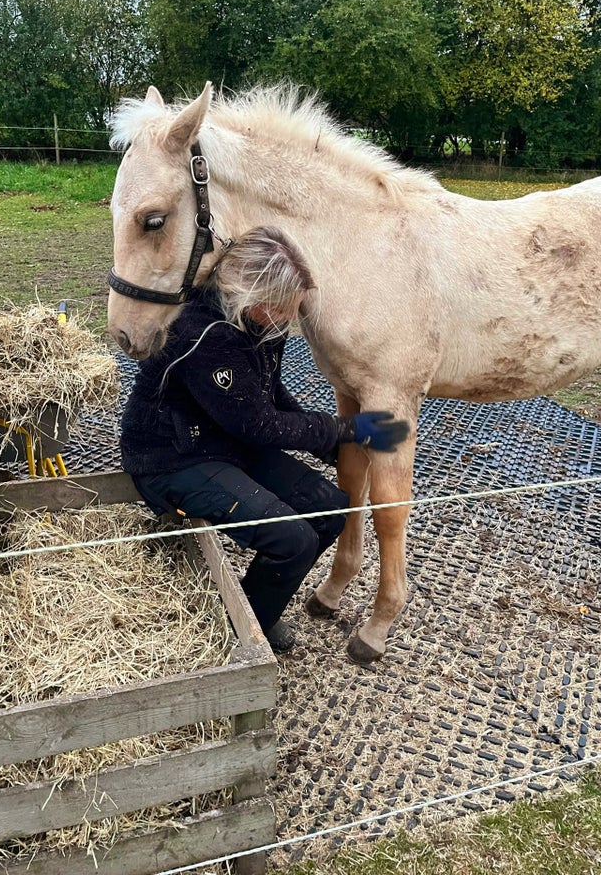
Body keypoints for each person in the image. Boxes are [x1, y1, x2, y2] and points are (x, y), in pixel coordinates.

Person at [120, 226, 408, 652]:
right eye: (285, 310)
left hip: (226, 441)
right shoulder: (207, 336)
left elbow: (268, 391)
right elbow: (259, 425)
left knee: (330, 510)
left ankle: (256, 609)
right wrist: (346, 430)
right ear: (255, 302)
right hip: (174, 457)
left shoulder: (259, 323)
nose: (291, 320)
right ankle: (239, 633)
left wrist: (329, 444)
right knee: (292, 540)